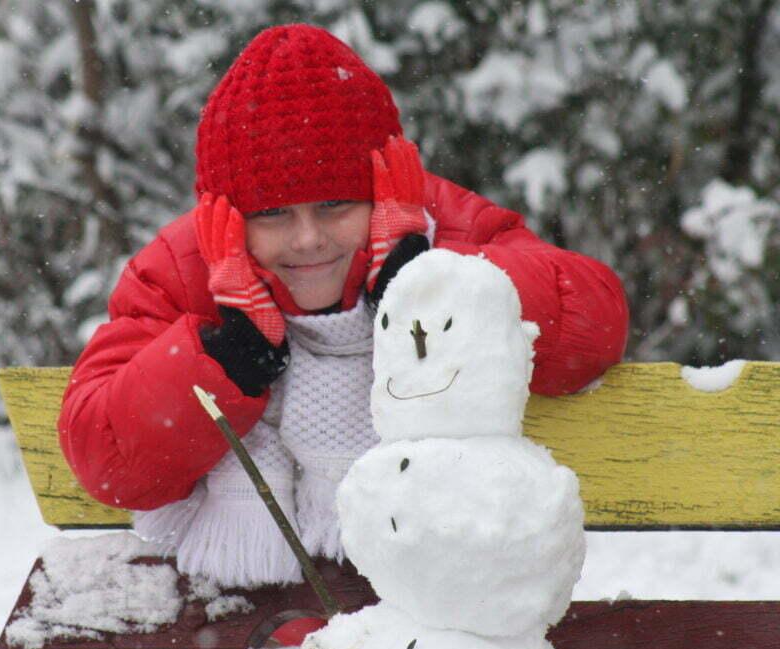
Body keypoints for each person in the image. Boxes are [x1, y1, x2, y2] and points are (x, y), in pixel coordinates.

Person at [58, 25, 628, 593]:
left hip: (438, 604)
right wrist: (224, 361)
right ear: (227, 218)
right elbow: (105, 462)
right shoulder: (182, 269)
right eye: (274, 215)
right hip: (246, 616)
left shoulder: (440, 228)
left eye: (335, 206)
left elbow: (591, 330)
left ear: (383, 189)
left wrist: (423, 283)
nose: (308, 240)